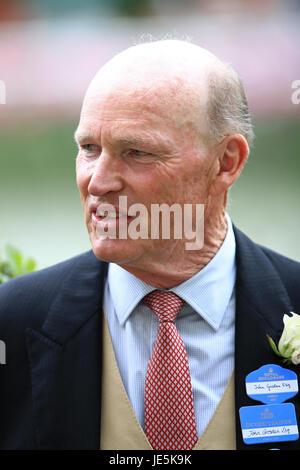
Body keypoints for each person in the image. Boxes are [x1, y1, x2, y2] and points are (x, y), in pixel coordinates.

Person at [1, 39, 300, 451]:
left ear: (226, 161)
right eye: (89, 148)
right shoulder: (11, 322)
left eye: (136, 152)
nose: (98, 182)